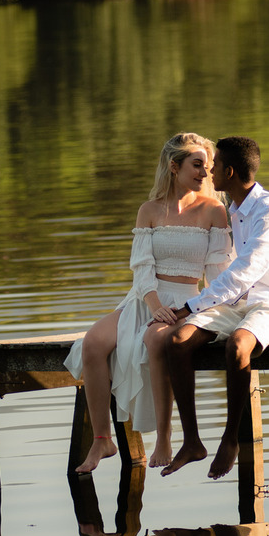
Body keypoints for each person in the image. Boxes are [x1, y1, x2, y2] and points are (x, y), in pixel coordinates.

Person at [64, 133, 233, 473]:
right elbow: (142, 269)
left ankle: (165, 437)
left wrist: (203, 309)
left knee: (154, 340)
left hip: (189, 300)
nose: (205, 173)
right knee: (94, 343)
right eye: (197, 165)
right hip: (147, 297)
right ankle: (102, 440)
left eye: (208, 166)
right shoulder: (150, 211)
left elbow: (219, 273)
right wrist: (154, 303)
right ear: (174, 166)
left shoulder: (215, 210)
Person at [160, 136, 269, 480]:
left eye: (214, 165)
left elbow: (248, 269)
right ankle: (192, 441)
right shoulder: (231, 209)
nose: (209, 170)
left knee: (238, 344)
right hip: (240, 301)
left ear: (229, 172)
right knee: (177, 341)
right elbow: (227, 271)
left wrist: (191, 305)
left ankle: (230, 439)